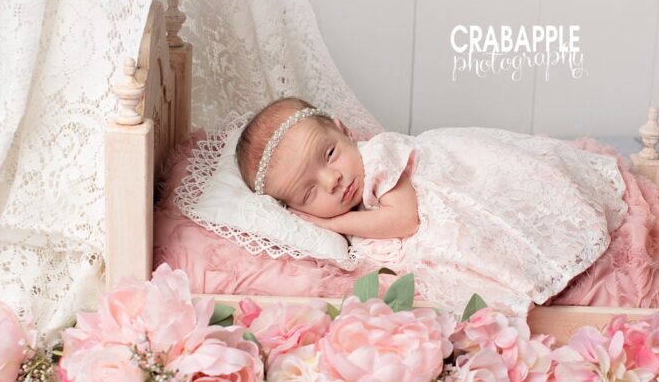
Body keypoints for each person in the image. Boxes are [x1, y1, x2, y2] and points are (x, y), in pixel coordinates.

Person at [236, 97, 630, 315]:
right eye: (309, 193)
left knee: (504, 219)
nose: (332, 180)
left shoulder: (376, 156)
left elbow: (405, 219)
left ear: (343, 131)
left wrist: (334, 222)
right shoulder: (350, 201)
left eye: (330, 154)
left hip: (455, 181)